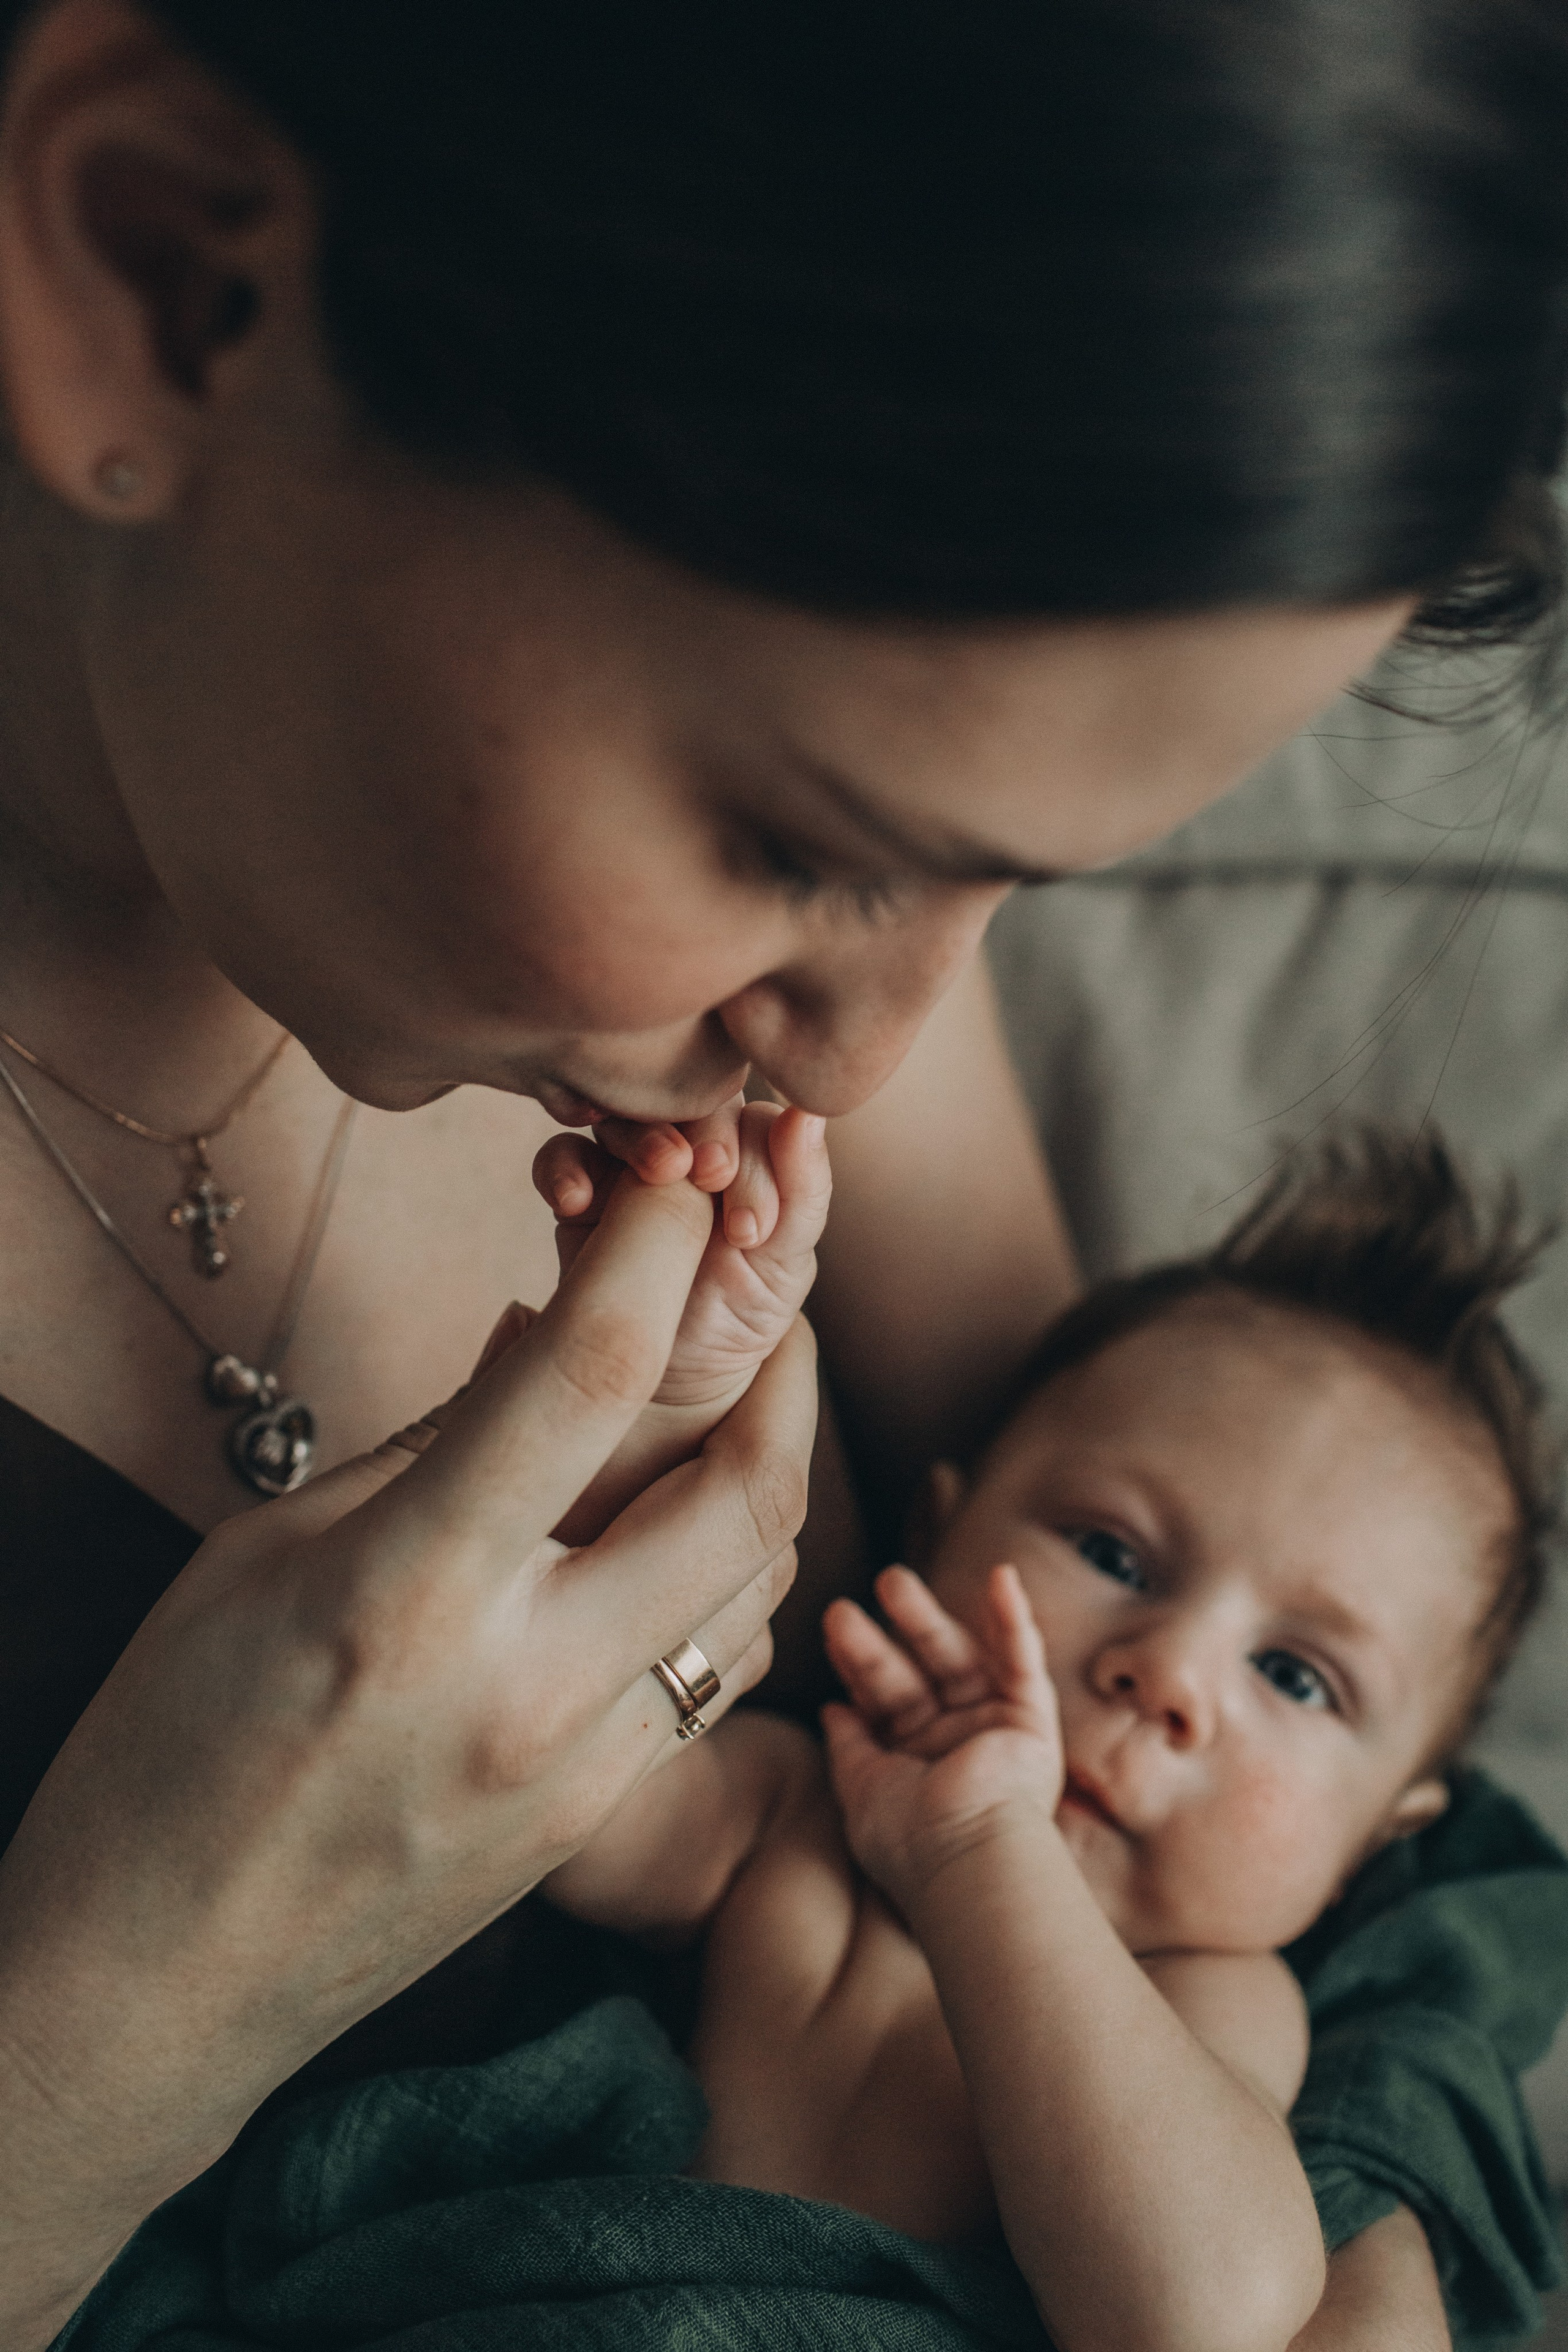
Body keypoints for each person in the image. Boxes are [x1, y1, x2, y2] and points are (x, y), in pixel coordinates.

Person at [2, 3, 1567, 2346]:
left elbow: (1271, 1845)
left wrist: (1359, 2190)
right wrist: (105, 2039)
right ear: (168, 279)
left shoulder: (772, 1034)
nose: (877, 1054)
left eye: (1014, 884)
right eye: (803, 843)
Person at [543, 1131, 1562, 2352]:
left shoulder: (1212, 1999)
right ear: (935, 1533)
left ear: (1373, 1842)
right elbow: (545, 1792)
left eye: (1294, 1675)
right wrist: (648, 1396)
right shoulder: (787, 1806)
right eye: (1113, 1555)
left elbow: (1198, 2315)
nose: (1166, 1674)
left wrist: (982, 1851)